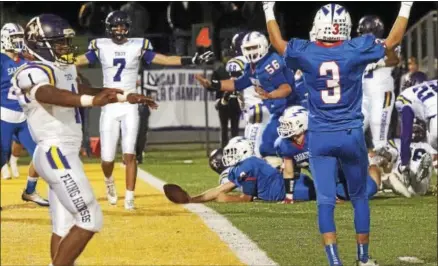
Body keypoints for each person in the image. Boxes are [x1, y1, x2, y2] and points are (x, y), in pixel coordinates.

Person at [263, 2, 413, 265]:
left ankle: (334, 262)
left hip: (320, 136)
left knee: (325, 202)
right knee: (358, 198)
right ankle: (363, 259)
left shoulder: (305, 51)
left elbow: (277, 42)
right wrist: (407, 5)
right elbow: (393, 40)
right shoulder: (356, 49)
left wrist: (267, 9)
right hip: (350, 133)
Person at [14, 13, 156, 265]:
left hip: (61, 151)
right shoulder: (31, 70)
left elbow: (77, 89)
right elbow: (48, 93)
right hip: (54, 150)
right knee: (90, 217)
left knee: (63, 227)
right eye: (58, 42)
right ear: (40, 44)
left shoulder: (62, 67)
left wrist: (124, 97)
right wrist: (91, 101)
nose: (65, 47)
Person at [75, 10, 214, 210]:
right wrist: (57, 62)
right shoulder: (101, 46)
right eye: (116, 27)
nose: (120, 30)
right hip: (110, 106)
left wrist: (192, 59)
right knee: (106, 159)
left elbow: (165, 60)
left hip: (130, 104)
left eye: (123, 26)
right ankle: (109, 181)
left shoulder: (137, 45)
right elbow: (79, 60)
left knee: (130, 154)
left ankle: (130, 198)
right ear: (109, 29)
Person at [196, 31, 298, 168]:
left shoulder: (270, 63)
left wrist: (270, 95)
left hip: (274, 112)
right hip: (270, 111)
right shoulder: (253, 65)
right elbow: (237, 83)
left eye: (253, 48)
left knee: (259, 150)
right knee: (266, 150)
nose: (251, 52)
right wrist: (213, 85)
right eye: (248, 49)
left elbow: (286, 88)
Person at [275, 106, 380, 202]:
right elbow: (288, 171)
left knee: (369, 190)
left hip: (345, 169)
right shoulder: (286, 143)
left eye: (288, 124)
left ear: (301, 122)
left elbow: (331, 164)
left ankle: (372, 166)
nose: (285, 127)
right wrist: (289, 197)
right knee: (345, 195)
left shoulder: (317, 137)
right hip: (330, 178)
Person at [0, 22, 49, 206]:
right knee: (1, 156)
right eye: (15, 38)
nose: (19, 41)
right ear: (5, 39)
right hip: (3, 116)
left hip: (24, 116)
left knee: (39, 154)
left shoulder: (26, 59)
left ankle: (30, 191)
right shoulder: (1, 60)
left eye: (21, 37)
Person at [357, 15, 400, 151]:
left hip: (382, 95)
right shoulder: (358, 47)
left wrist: (378, 63)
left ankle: (394, 164)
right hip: (363, 95)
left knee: (379, 141)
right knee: (354, 132)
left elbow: (395, 60)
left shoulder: (385, 44)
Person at [375, 121, 437, 197]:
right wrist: (383, 153)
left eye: (416, 131)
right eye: (412, 131)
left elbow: (390, 155)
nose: (414, 133)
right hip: (411, 183)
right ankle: (411, 174)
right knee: (427, 158)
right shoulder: (428, 146)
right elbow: (391, 155)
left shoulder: (400, 143)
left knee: (426, 159)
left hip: (415, 182)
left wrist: (382, 151)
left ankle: (415, 174)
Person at [395, 76, 437, 183]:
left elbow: (406, 134)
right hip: (432, 117)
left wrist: (404, 163)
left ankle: (428, 166)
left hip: (435, 120)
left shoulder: (407, 95)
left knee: (433, 143)